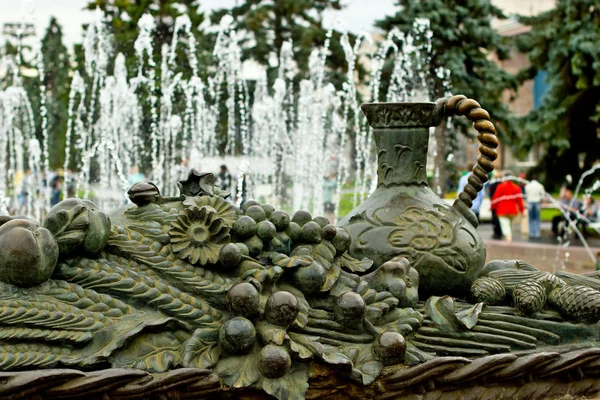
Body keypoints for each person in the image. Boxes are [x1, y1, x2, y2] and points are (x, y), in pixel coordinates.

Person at [490, 173, 525, 242]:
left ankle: (508, 239)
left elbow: (495, 199)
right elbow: (520, 201)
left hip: (502, 211)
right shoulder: (516, 188)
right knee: (510, 226)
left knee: (505, 226)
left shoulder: (500, 187)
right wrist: (522, 210)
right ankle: (509, 238)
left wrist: (492, 207)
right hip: (512, 211)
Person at [487, 170, 504, 239]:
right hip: (501, 204)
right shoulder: (502, 184)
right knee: (501, 219)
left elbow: (490, 195)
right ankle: (500, 232)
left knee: (494, 219)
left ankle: (496, 233)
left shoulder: (492, 185)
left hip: (494, 204)